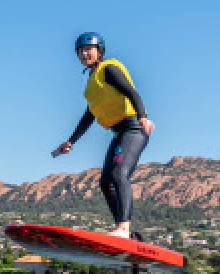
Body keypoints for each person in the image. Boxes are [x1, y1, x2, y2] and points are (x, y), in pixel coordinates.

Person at [51, 32, 155, 238]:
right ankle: (124, 231)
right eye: (81, 51)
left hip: (133, 128)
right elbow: (89, 115)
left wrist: (142, 116)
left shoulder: (108, 69)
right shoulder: (92, 82)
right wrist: (71, 141)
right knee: (105, 181)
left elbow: (131, 92)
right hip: (118, 133)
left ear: (99, 51)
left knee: (118, 174)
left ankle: (123, 228)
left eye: (89, 49)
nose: (84, 54)